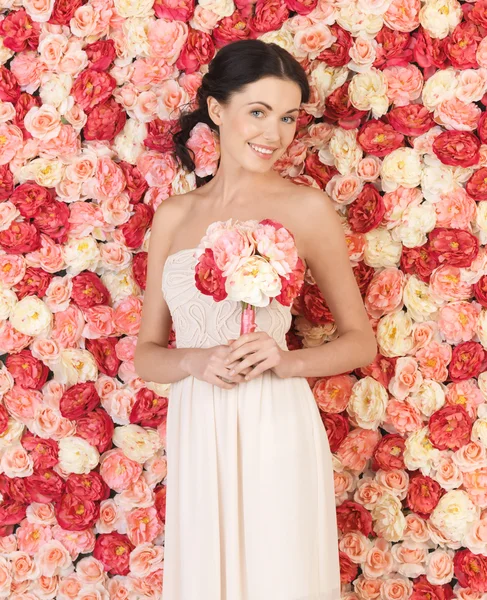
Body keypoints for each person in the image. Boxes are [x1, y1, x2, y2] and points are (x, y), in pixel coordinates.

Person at [134, 38, 377, 600]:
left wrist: (285, 360)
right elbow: (147, 353)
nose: (274, 133)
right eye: (258, 112)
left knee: (278, 575)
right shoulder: (174, 216)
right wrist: (196, 359)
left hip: (275, 422)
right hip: (200, 430)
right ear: (218, 111)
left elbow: (359, 340)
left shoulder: (304, 208)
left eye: (287, 117)